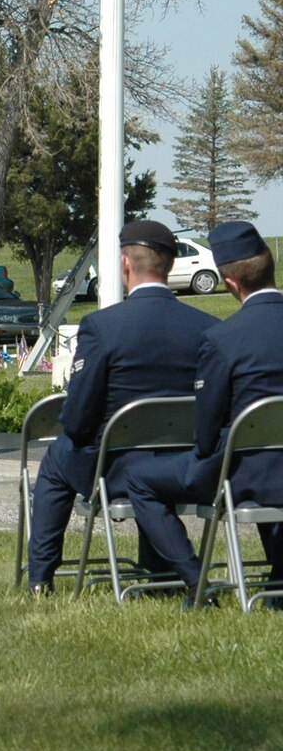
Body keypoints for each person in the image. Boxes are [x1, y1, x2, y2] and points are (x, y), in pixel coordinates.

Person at [21, 219, 216, 596]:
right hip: (184, 465)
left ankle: (41, 578)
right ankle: (162, 577)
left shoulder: (102, 326)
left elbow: (78, 420)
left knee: (59, 456)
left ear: (125, 264)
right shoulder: (207, 327)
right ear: (172, 265)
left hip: (115, 467)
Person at [123, 220, 283, 602]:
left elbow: (207, 432)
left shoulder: (224, 340)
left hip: (248, 474)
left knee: (140, 479)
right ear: (271, 264)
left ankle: (195, 580)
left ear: (230, 284)